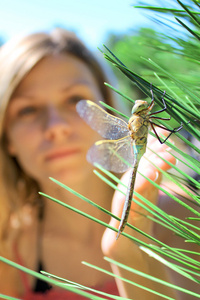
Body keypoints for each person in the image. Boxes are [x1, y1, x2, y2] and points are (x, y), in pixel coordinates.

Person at [0, 28, 198, 300]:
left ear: (106, 106)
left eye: (74, 100)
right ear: (6, 135)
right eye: (27, 109)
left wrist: (131, 259)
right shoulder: (8, 248)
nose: (56, 127)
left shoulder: (187, 219)